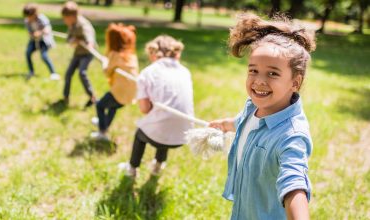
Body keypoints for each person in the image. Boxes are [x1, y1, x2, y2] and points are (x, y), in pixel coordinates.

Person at [209, 13, 316, 219]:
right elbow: (243, 123)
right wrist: (224, 124)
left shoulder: (291, 136)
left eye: (273, 73)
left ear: (295, 82)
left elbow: (294, 184)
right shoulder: (253, 108)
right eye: (253, 70)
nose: (259, 81)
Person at [124, 35, 194, 178]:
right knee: (166, 120)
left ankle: (132, 168)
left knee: (140, 134)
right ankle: (158, 164)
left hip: (160, 135)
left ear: (153, 53)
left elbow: (144, 109)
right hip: (184, 134)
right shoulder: (185, 71)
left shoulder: (148, 72)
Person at [90, 23, 139, 140]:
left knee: (100, 105)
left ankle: (102, 132)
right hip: (132, 93)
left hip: (120, 92)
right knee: (113, 106)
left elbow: (107, 71)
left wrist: (104, 63)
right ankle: (104, 123)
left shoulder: (115, 54)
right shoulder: (131, 55)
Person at [61, 1, 97, 107]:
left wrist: (90, 43)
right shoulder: (72, 25)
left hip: (87, 53)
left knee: (82, 73)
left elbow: (89, 34)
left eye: (65, 18)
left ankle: (93, 97)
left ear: (72, 16)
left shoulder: (82, 23)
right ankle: (65, 97)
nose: (64, 21)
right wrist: (73, 41)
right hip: (78, 53)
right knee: (68, 74)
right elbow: (68, 39)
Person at [23, 3, 59, 81]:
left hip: (44, 40)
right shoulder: (27, 21)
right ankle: (31, 71)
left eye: (29, 16)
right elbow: (30, 33)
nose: (28, 18)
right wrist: (33, 35)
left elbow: (47, 28)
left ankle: (54, 73)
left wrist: (42, 32)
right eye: (27, 16)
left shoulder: (42, 18)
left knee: (44, 56)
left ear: (34, 14)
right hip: (34, 40)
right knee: (28, 53)